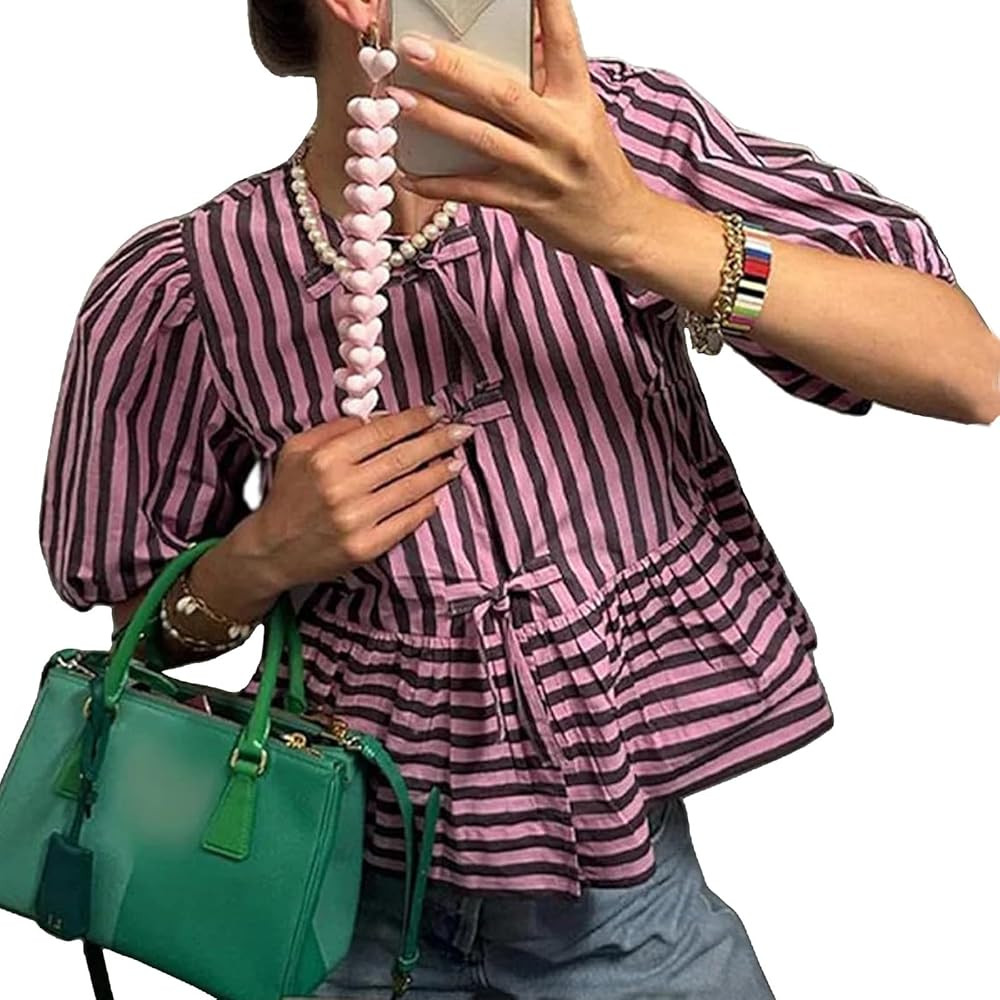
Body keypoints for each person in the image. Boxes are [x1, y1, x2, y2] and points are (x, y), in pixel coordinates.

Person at [38, 1, 998, 997]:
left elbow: (966, 367)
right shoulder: (186, 287)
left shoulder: (624, 144)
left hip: (632, 910)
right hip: (325, 904)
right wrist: (260, 556)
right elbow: (139, 637)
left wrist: (637, 229)